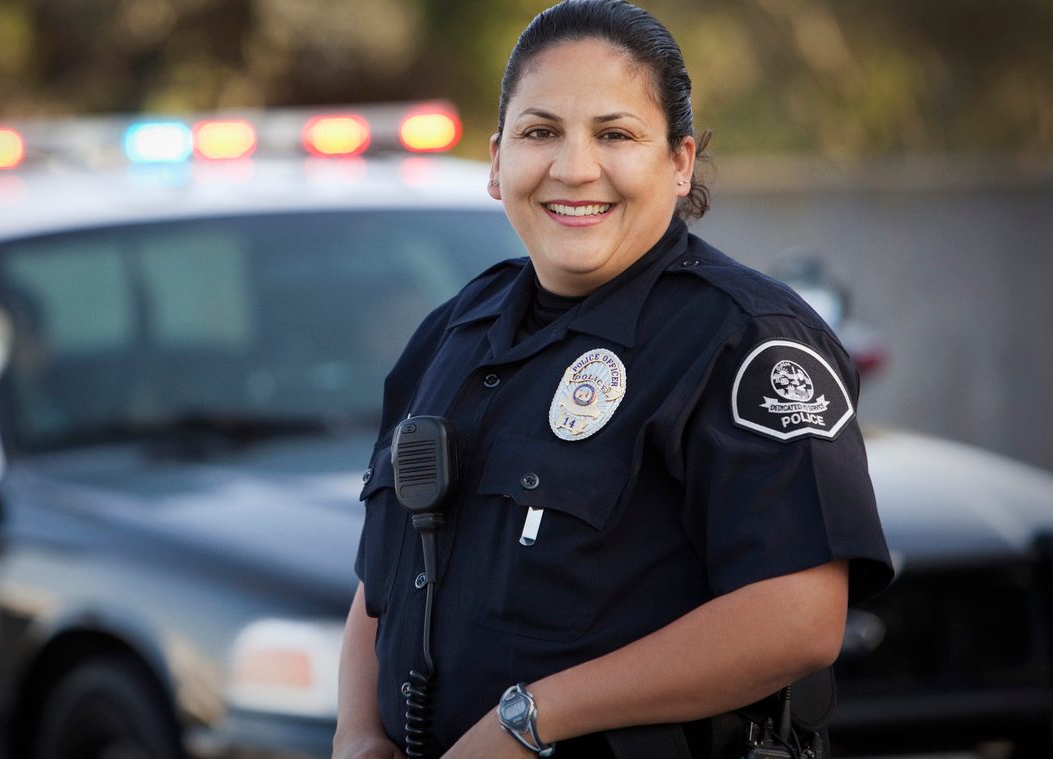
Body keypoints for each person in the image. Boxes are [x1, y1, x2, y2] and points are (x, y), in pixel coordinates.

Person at [334, 2, 892, 757]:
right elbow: (383, 580)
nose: (573, 168)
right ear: (497, 162)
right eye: (540, 133)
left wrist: (528, 720)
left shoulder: (745, 338)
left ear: (679, 162)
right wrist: (359, 732)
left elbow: (796, 617)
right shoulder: (451, 333)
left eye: (615, 134)